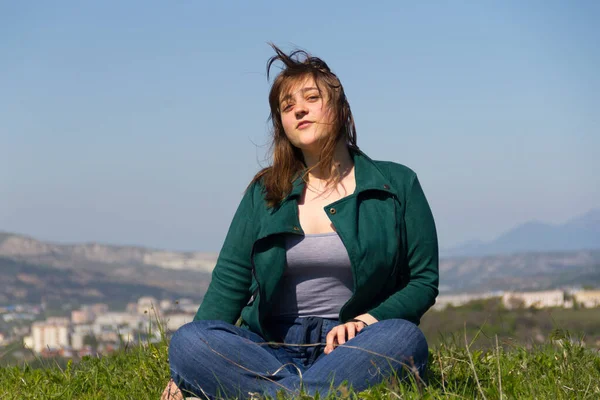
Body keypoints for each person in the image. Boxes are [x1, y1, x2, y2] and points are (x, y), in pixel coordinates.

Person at [161, 44, 439, 400]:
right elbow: (229, 283)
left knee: (404, 337)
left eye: (311, 98)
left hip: (355, 345)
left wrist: (367, 320)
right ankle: (306, 394)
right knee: (188, 341)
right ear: (282, 125)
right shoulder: (264, 192)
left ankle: (272, 394)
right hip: (268, 347)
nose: (299, 110)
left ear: (340, 109)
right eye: (287, 106)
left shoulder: (397, 184)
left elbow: (423, 281)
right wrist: (185, 368)